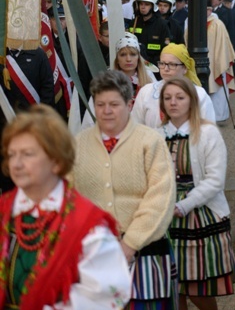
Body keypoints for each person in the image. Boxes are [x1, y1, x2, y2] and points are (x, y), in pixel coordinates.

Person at [0, 105, 131, 309]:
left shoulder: (87, 224)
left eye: (27, 154)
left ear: (56, 161)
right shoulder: (5, 210)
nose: (16, 164)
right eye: (12, 154)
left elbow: (109, 295)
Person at [72, 70, 177, 307]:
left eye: (114, 104)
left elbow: (161, 197)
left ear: (130, 104)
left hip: (144, 254)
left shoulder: (151, 142)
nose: (106, 111)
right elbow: (68, 198)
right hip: (93, 255)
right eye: (100, 104)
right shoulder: (78, 145)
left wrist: (129, 245)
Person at [158, 77, 235, 309]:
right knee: (174, 291)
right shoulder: (156, 135)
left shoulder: (207, 133)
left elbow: (215, 180)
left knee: (198, 291)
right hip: (165, 217)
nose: (173, 103)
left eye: (180, 97)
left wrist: (183, 205)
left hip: (201, 215)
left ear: (191, 102)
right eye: (168, 98)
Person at [82, 33, 157, 129]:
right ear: (117, 59)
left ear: (138, 58)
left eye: (133, 54)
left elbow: (156, 113)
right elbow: (92, 116)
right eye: (123, 55)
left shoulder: (149, 79)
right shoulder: (107, 81)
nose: (128, 59)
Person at [132, 43, 216, 128]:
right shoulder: (146, 91)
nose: (166, 69)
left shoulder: (199, 95)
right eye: (162, 63)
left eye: (172, 64)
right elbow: (135, 125)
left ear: (185, 68)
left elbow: (208, 130)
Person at [205, 6, 235, 123]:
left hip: (217, 62)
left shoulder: (218, 24)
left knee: (218, 91)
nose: (206, 12)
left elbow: (223, 44)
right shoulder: (194, 22)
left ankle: (219, 116)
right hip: (202, 61)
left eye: (208, 9)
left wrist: (219, 62)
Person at [127, 0, 171, 66]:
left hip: (155, 66)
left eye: (147, 4)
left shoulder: (161, 24)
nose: (143, 7)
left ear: (153, 6)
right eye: (141, 4)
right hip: (136, 64)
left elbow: (166, 49)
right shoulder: (134, 23)